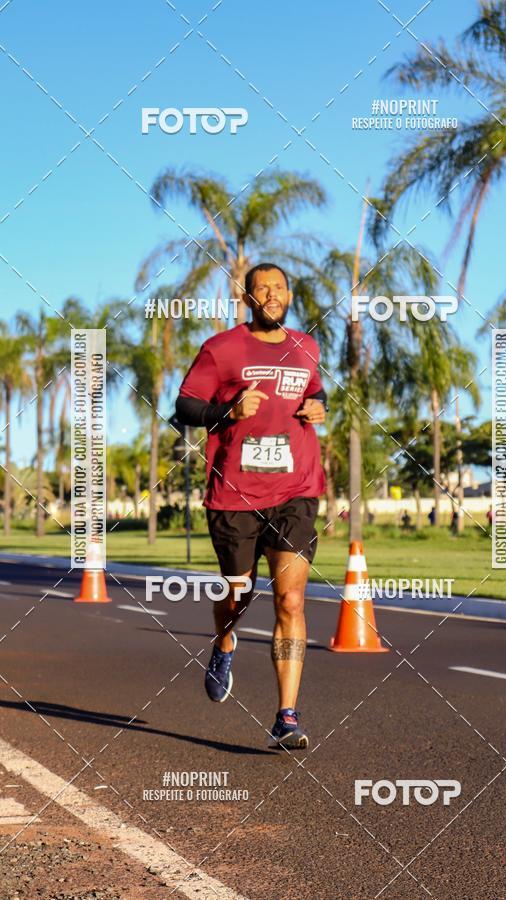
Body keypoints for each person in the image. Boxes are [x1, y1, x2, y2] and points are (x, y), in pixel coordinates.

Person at [174, 263, 327, 751]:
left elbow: (312, 388)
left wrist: (319, 404)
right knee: (238, 598)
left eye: (279, 287)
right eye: (262, 287)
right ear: (247, 296)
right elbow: (185, 406)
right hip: (233, 495)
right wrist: (228, 410)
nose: (271, 294)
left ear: (289, 294)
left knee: (291, 601)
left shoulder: (306, 346)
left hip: (296, 491)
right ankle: (224, 642)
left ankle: (287, 716)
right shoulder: (221, 349)